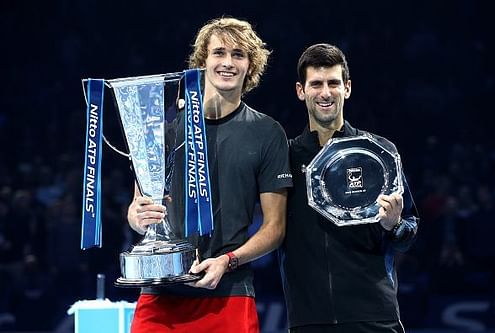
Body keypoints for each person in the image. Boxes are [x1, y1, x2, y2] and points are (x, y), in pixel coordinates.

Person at [127, 17, 292, 333]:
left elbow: (276, 228)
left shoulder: (267, 133)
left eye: (238, 55)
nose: (228, 62)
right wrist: (137, 216)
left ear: (250, 66)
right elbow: (137, 211)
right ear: (203, 61)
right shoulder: (164, 129)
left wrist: (228, 260)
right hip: (161, 296)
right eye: (219, 53)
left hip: (229, 293)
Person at [279, 43, 419, 333]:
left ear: (348, 87)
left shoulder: (379, 153)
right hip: (309, 318)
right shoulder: (285, 157)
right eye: (316, 84)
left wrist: (394, 225)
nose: (326, 93)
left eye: (333, 83)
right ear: (300, 90)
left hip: (374, 316)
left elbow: (409, 231)